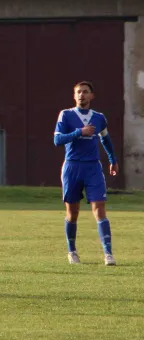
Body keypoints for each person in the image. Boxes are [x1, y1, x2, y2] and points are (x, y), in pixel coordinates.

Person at [53, 81, 118, 266]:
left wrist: (113, 160)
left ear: (92, 96)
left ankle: (108, 254)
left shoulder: (99, 118)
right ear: (74, 96)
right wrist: (78, 132)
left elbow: (106, 140)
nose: (81, 95)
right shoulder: (66, 115)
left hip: (93, 168)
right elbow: (57, 140)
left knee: (99, 208)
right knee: (72, 213)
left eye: (85, 92)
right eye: (78, 92)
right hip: (72, 167)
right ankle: (72, 251)